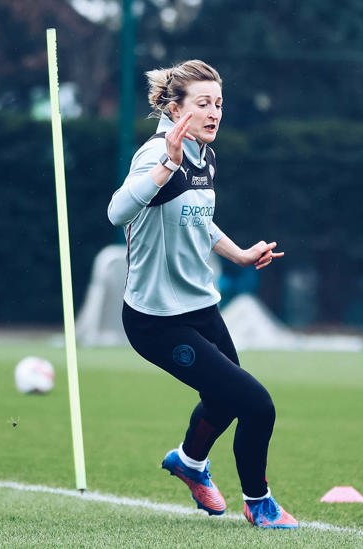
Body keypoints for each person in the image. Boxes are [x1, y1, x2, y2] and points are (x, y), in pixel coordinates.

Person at [107, 60, 296, 529]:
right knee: (257, 404)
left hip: (200, 307)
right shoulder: (157, 155)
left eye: (219, 104)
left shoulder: (204, 154)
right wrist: (167, 163)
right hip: (155, 321)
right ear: (175, 110)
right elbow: (116, 212)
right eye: (203, 104)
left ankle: (189, 463)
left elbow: (197, 219)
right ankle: (260, 503)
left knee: (228, 399)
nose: (215, 113)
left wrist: (240, 254)